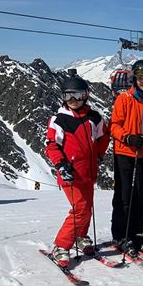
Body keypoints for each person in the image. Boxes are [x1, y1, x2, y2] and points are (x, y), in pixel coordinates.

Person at [45, 73, 110, 266]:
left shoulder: (94, 117)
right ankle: (61, 245)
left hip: (88, 172)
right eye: (68, 96)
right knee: (80, 209)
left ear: (86, 95)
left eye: (77, 95)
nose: (72, 100)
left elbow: (103, 136)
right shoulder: (59, 120)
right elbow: (51, 145)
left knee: (86, 208)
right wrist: (61, 164)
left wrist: (98, 154)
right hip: (69, 173)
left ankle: (81, 236)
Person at [109, 59, 143, 256]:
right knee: (125, 195)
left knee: (140, 194)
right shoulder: (125, 99)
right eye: (140, 77)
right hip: (125, 152)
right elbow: (113, 125)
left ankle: (136, 233)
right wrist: (128, 137)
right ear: (134, 79)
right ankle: (122, 235)